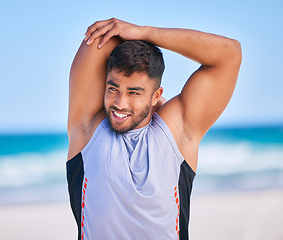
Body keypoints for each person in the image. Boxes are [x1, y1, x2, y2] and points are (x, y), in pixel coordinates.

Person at [66, 18, 241, 240]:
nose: (120, 103)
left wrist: (144, 32)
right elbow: (101, 37)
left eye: (134, 92)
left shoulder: (177, 132)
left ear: (155, 96)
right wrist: (131, 36)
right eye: (113, 88)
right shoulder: (87, 129)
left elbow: (229, 54)